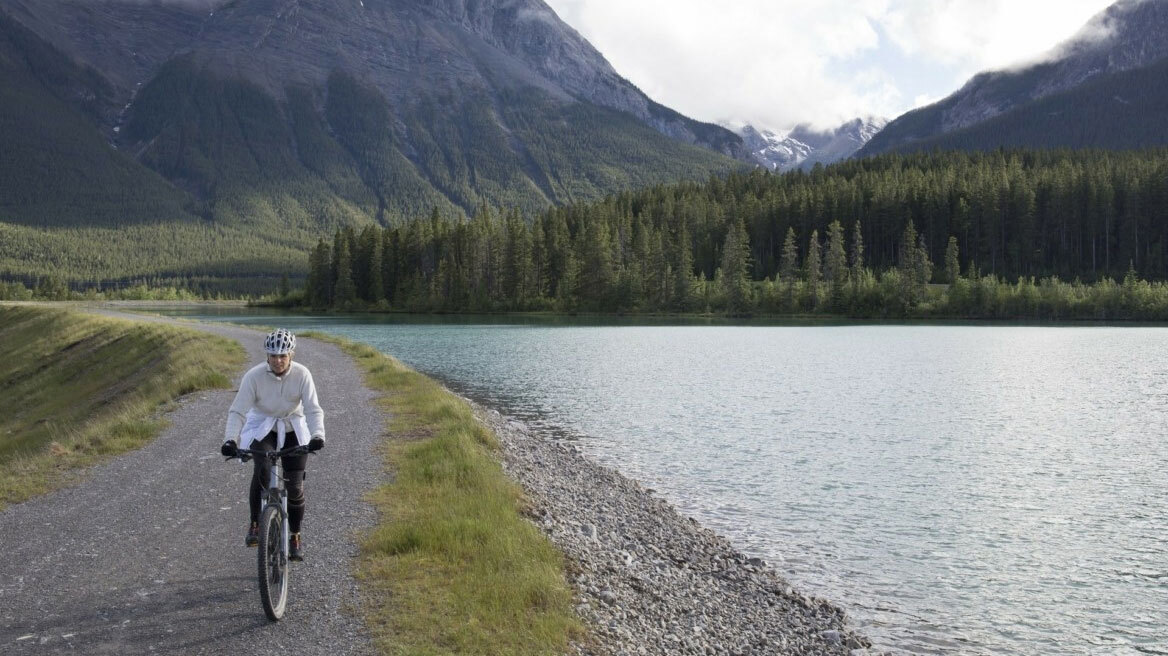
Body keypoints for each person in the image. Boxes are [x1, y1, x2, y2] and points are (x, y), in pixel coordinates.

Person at [221, 328, 325, 561]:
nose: (278, 360)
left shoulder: (303, 375)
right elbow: (237, 411)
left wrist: (318, 435)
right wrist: (230, 439)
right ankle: (256, 524)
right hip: (263, 426)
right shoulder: (253, 376)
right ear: (266, 356)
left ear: (292, 355)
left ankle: (295, 536)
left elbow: (312, 409)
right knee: (262, 469)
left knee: (295, 486)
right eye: (273, 355)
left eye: (283, 355)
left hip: (293, 426)